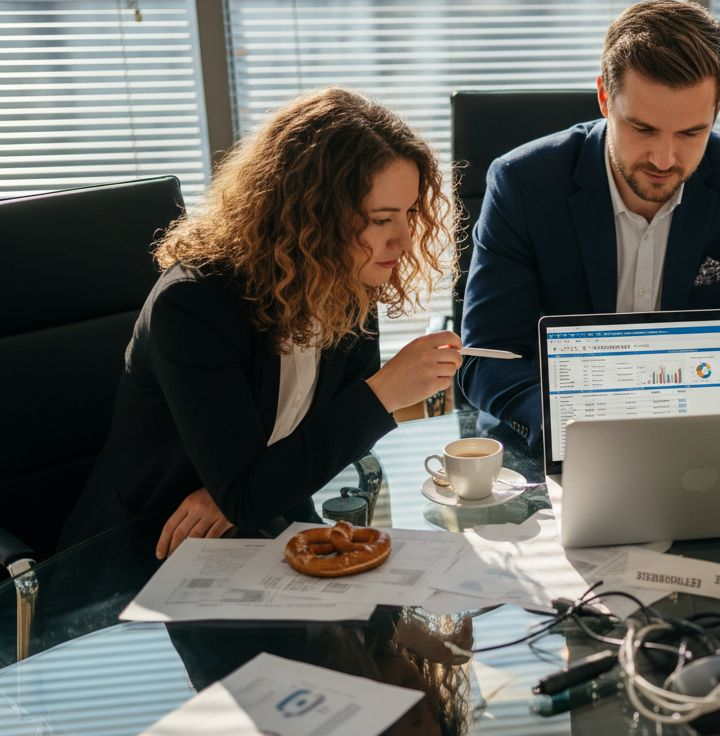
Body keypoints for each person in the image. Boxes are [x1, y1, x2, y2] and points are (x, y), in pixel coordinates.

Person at [60, 87, 463, 557]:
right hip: (146, 549)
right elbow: (262, 484)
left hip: (266, 522)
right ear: (310, 216)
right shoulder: (192, 305)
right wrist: (385, 392)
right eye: (381, 219)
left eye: (411, 213)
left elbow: (328, 447)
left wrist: (241, 493)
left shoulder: (346, 281)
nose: (405, 239)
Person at [458, 0, 720, 447]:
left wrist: (691, 421)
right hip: (557, 442)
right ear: (605, 97)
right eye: (643, 129)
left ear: (716, 112)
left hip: (697, 440)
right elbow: (488, 355)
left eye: (690, 133)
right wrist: (566, 429)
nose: (665, 159)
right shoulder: (522, 182)